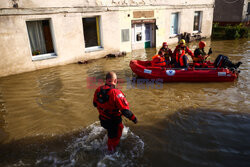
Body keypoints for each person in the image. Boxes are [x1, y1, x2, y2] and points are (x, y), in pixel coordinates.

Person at [93, 72, 137, 152]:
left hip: (103, 120)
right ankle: (110, 154)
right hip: (113, 122)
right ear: (115, 81)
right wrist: (134, 119)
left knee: (117, 130)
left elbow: (95, 104)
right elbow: (125, 111)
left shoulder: (98, 90)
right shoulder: (116, 93)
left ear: (106, 80)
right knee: (114, 140)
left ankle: (109, 139)